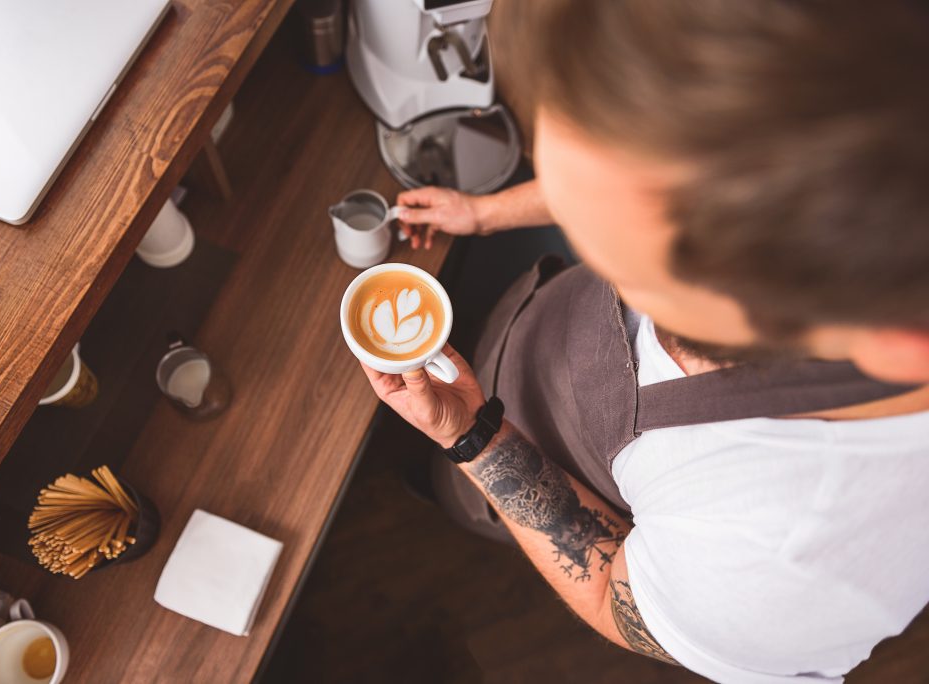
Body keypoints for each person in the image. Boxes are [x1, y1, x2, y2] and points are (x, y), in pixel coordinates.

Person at [356, 1, 929, 682]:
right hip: (524, 345)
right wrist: (486, 213)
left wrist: (472, 440)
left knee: (448, 496)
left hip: (522, 459)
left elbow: (613, 597)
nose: (604, 273)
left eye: (628, 274)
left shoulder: (795, 566)